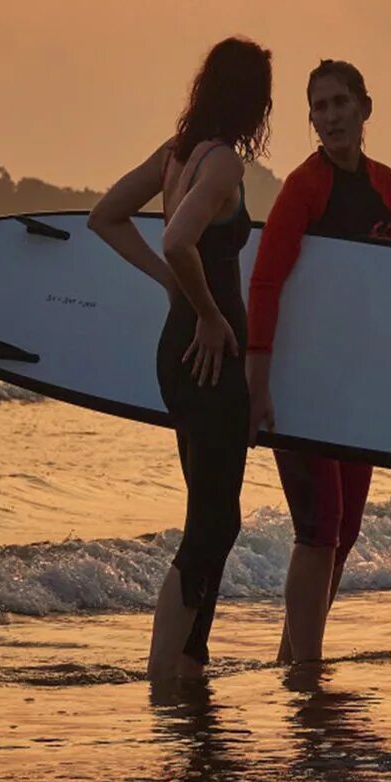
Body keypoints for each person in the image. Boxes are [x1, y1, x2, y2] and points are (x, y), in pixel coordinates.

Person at [246, 58, 391, 663]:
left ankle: (296, 658)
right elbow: (266, 282)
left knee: (347, 531)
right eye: (319, 107)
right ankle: (302, 669)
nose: (329, 116)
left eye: (339, 103)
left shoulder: (385, 183)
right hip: (303, 382)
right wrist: (259, 383)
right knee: (319, 524)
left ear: (365, 109)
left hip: (355, 386)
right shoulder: (304, 186)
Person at [89, 36, 273, 679]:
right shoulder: (220, 164)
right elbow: (176, 240)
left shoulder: (175, 157)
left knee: (213, 513)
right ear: (254, 103)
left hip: (178, 350)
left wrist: (173, 290)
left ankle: (191, 657)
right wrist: (210, 312)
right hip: (206, 356)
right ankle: (167, 663)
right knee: (214, 521)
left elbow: (106, 216)